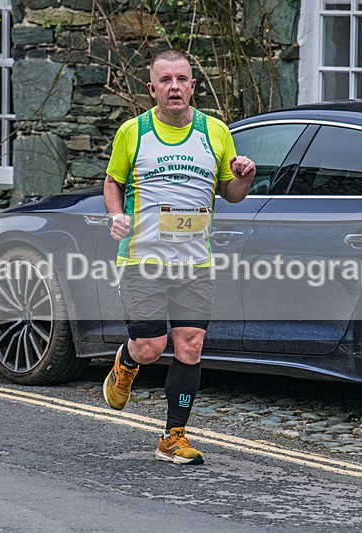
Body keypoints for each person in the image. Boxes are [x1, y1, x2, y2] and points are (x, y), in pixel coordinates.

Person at [102, 49, 256, 465]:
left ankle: (173, 436)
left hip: (195, 262)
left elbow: (231, 193)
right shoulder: (133, 132)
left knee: (191, 345)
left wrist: (245, 178)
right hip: (143, 258)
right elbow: (113, 182)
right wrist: (116, 216)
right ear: (152, 89)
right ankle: (126, 363)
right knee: (150, 347)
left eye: (181, 79)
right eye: (165, 80)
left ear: (192, 86)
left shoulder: (215, 131)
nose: (174, 87)